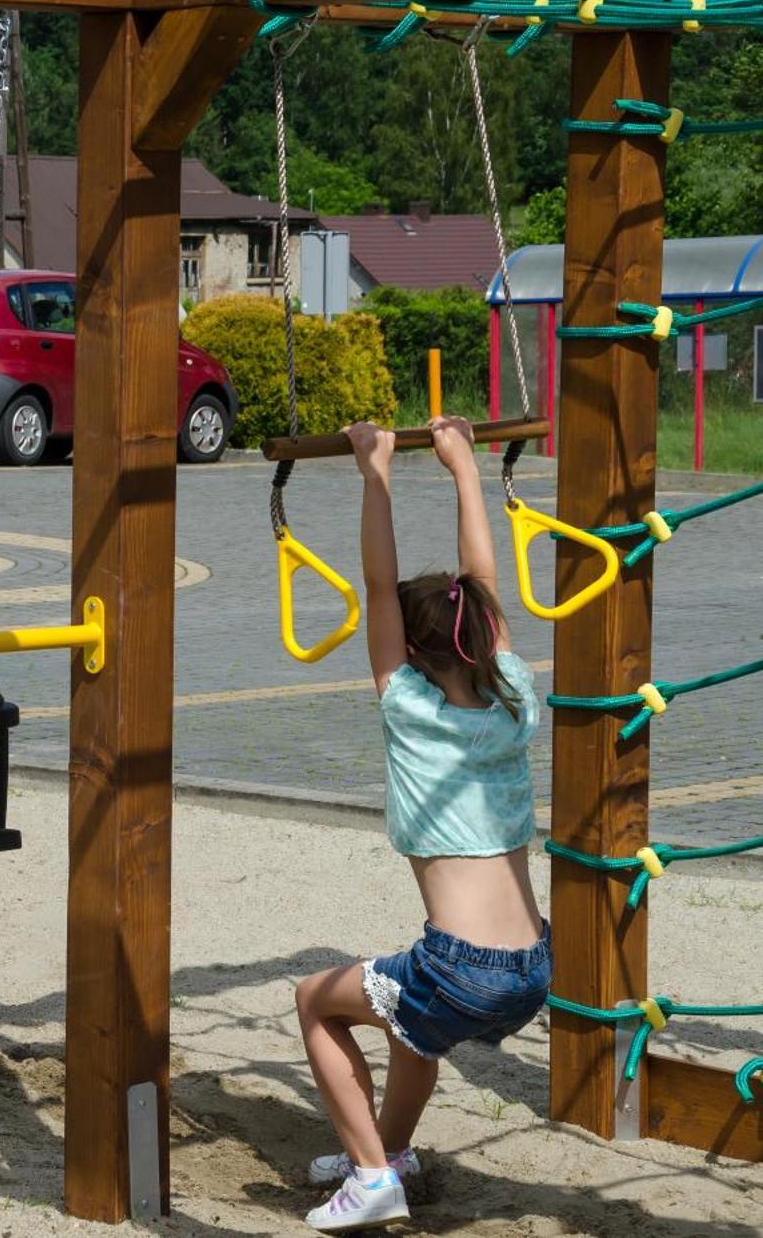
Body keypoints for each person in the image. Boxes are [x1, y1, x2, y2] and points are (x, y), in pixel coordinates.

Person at [295, 416, 552, 1232]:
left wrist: (373, 473)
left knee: (314, 1001)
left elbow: (378, 588)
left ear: (411, 652)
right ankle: (391, 1148)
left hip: (462, 970)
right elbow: (485, 586)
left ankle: (373, 1177)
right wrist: (464, 470)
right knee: (411, 1026)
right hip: (530, 968)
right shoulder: (514, 697)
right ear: (483, 638)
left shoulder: (407, 707)